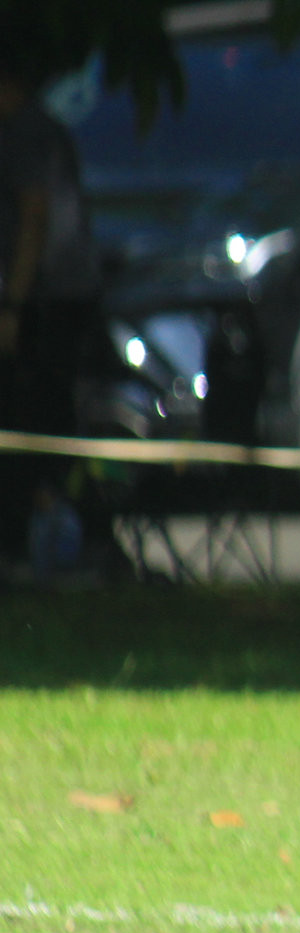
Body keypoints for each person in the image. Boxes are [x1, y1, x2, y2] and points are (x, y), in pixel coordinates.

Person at [0, 49, 103, 574]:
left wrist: (12, 308)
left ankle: (41, 542)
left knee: (33, 421)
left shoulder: (23, 133)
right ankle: (82, 537)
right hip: (67, 297)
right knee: (53, 419)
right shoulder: (45, 127)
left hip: (49, 303)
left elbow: (35, 219)